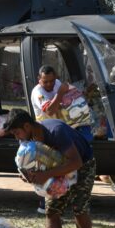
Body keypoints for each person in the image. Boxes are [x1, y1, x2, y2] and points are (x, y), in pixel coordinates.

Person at [3, 109, 96, 228]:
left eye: (17, 132)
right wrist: (27, 175)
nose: (16, 137)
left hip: (83, 165)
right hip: (56, 167)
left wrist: (46, 175)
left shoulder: (55, 131)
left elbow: (76, 162)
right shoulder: (27, 139)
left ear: (27, 126)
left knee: (79, 209)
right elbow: (27, 163)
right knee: (51, 211)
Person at [30, 65, 93, 214]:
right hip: (45, 133)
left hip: (61, 131)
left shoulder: (58, 84)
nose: (49, 85)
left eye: (52, 81)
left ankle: (63, 196)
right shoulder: (37, 92)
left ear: (56, 77)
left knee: (63, 165)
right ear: (39, 80)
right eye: (45, 82)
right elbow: (50, 110)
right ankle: (43, 202)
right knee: (48, 166)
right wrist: (60, 93)